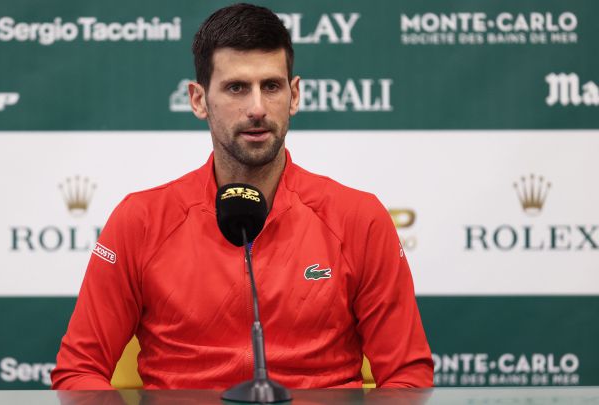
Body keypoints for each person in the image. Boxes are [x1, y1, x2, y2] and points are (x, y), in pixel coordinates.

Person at [51, 3, 433, 390]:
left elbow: (407, 375)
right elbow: (78, 371)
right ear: (198, 100)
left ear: (294, 95)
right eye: (236, 88)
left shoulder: (358, 217)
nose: (257, 109)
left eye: (271, 86)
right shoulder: (141, 220)